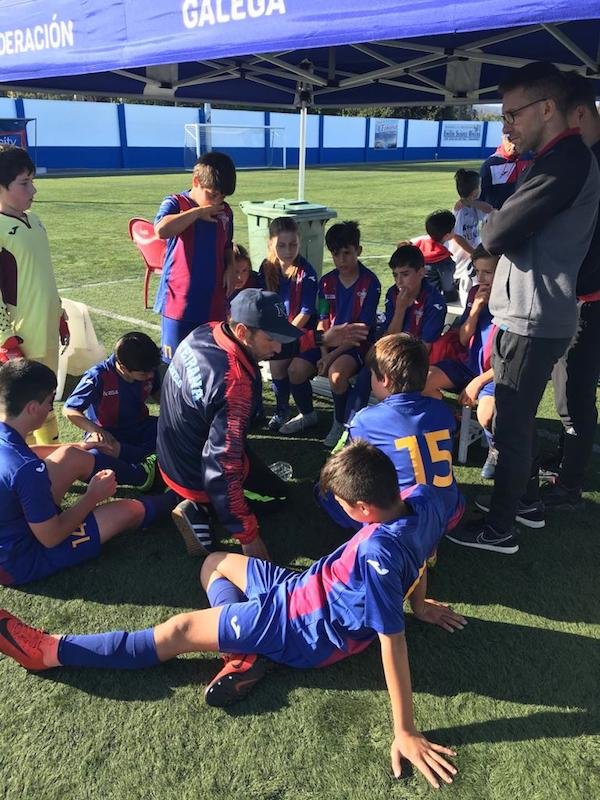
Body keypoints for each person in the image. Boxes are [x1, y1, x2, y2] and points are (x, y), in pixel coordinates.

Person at [0, 441, 465, 790]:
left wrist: (404, 730)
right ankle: (243, 651)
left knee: (178, 631)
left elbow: (392, 640)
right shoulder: (424, 499)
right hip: (304, 587)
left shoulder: (379, 555)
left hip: (302, 628)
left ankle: (48, 652)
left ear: (363, 507)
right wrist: (420, 602)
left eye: (343, 507)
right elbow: (425, 552)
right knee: (212, 563)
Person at [447, 62, 600, 555]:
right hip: (539, 312)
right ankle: (527, 503)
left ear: (548, 109)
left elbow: (493, 233)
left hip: (533, 316)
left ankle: (500, 528)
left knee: (509, 426)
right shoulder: (559, 158)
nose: (506, 125)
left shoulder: (564, 162)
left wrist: (507, 221)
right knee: (517, 422)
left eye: (512, 113)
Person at [157, 287, 369, 561]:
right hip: (192, 471)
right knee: (278, 496)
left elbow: (273, 346)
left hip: (170, 450)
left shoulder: (208, 331)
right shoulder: (234, 384)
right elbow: (222, 466)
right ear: (243, 332)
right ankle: (198, 507)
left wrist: (320, 338)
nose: (278, 347)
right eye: (271, 338)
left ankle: (185, 496)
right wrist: (248, 535)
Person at [0, 360, 175, 586]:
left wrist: (77, 445)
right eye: (49, 402)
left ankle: (141, 475)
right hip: (19, 560)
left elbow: (26, 452)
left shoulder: (15, 449)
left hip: (14, 519)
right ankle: (183, 500)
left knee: (71, 455)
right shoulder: (26, 470)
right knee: (126, 510)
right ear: (32, 408)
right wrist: (92, 496)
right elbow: (51, 538)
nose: (50, 409)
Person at [319, 334, 465, 536]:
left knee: (325, 491)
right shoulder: (442, 410)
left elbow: (348, 463)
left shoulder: (366, 420)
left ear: (384, 379)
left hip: (402, 523)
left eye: (371, 374)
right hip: (450, 513)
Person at [542, 72, 600, 510]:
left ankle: (570, 484)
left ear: (578, 113)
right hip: (584, 298)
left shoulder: (588, 163)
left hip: (587, 302)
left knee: (573, 394)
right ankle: (570, 465)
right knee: (574, 392)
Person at [0, 145, 68, 445]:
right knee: (18, 409)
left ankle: (51, 454)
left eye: (32, 181)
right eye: (24, 183)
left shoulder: (35, 221)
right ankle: (18, 470)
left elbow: (43, 274)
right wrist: (6, 341)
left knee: (45, 396)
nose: (33, 190)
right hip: (19, 338)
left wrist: (59, 313)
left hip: (46, 330)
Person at [344, 243, 446, 420]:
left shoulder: (434, 302)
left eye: (405, 274)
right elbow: (388, 338)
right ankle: (349, 428)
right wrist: (400, 310)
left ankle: (393, 427)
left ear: (421, 272)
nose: (399, 281)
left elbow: (425, 348)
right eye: (395, 275)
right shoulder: (394, 293)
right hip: (392, 353)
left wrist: (393, 361)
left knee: (393, 383)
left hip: (416, 360)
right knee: (366, 374)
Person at [153, 152, 236, 364]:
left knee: (210, 363)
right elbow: (161, 230)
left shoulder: (225, 212)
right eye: (213, 194)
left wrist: (231, 266)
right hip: (179, 303)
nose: (218, 201)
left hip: (213, 302)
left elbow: (227, 246)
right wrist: (198, 213)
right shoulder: (176, 203)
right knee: (175, 365)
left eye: (223, 196)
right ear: (196, 181)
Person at [424, 245, 499, 479]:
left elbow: (512, 358)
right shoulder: (476, 291)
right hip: (468, 366)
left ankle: (496, 451)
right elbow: (465, 339)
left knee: (486, 414)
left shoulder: (512, 301)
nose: (481, 278)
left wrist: (478, 383)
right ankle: (450, 425)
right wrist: (476, 309)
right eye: (477, 271)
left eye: (488, 272)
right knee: (419, 381)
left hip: (495, 374)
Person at [308, 221, 381, 448]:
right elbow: (321, 320)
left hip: (356, 346)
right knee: (294, 369)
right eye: (336, 254)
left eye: (347, 253)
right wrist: (323, 351)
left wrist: (329, 358)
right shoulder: (326, 282)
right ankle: (304, 414)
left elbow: (361, 332)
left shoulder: (371, 283)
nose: (341, 260)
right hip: (327, 343)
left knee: (337, 375)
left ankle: (340, 422)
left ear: (358, 251)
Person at [255, 217, 319, 434]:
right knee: (277, 370)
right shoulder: (266, 268)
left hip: (303, 334)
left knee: (292, 370)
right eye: (281, 245)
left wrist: (283, 336)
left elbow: (306, 312)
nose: (288, 250)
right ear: (270, 244)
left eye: (293, 244)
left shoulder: (306, 272)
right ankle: (282, 411)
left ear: (300, 242)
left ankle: (307, 413)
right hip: (278, 334)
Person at [63, 331, 161, 466]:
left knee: (173, 430)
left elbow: (158, 394)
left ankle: (137, 459)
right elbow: (70, 410)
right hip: (110, 432)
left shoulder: (146, 367)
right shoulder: (98, 376)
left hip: (140, 425)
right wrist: (96, 431)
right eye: (144, 373)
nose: (150, 375)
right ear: (123, 367)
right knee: (96, 454)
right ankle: (145, 462)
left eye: (152, 370)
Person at [448, 169, 493, 303]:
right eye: (480, 186)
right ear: (475, 191)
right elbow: (457, 236)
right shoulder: (460, 210)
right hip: (463, 258)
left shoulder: (472, 207)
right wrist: (473, 253)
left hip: (471, 257)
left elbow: (490, 209)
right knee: (468, 284)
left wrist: (471, 202)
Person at [412, 210, 458, 301]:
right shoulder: (445, 261)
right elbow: (447, 287)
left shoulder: (418, 246)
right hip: (429, 299)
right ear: (447, 235)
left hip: (411, 294)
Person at [479, 134, 531, 209]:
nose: (513, 145)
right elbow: (480, 198)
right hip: (500, 217)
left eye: (515, 140)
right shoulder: (490, 165)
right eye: (509, 140)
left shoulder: (530, 159)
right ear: (503, 140)